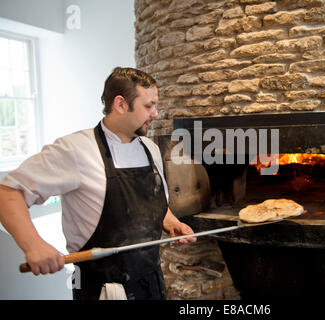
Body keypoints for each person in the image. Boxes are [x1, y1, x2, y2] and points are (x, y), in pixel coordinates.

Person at [0, 67, 196, 300]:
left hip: (150, 283)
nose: (155, 114)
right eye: (148, 106)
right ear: (121, 104)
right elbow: (8, 192)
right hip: (102, 290)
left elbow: (152, 207)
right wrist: (33, 244)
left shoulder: (150, 149)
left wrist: (172, 223)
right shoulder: (75, 150)